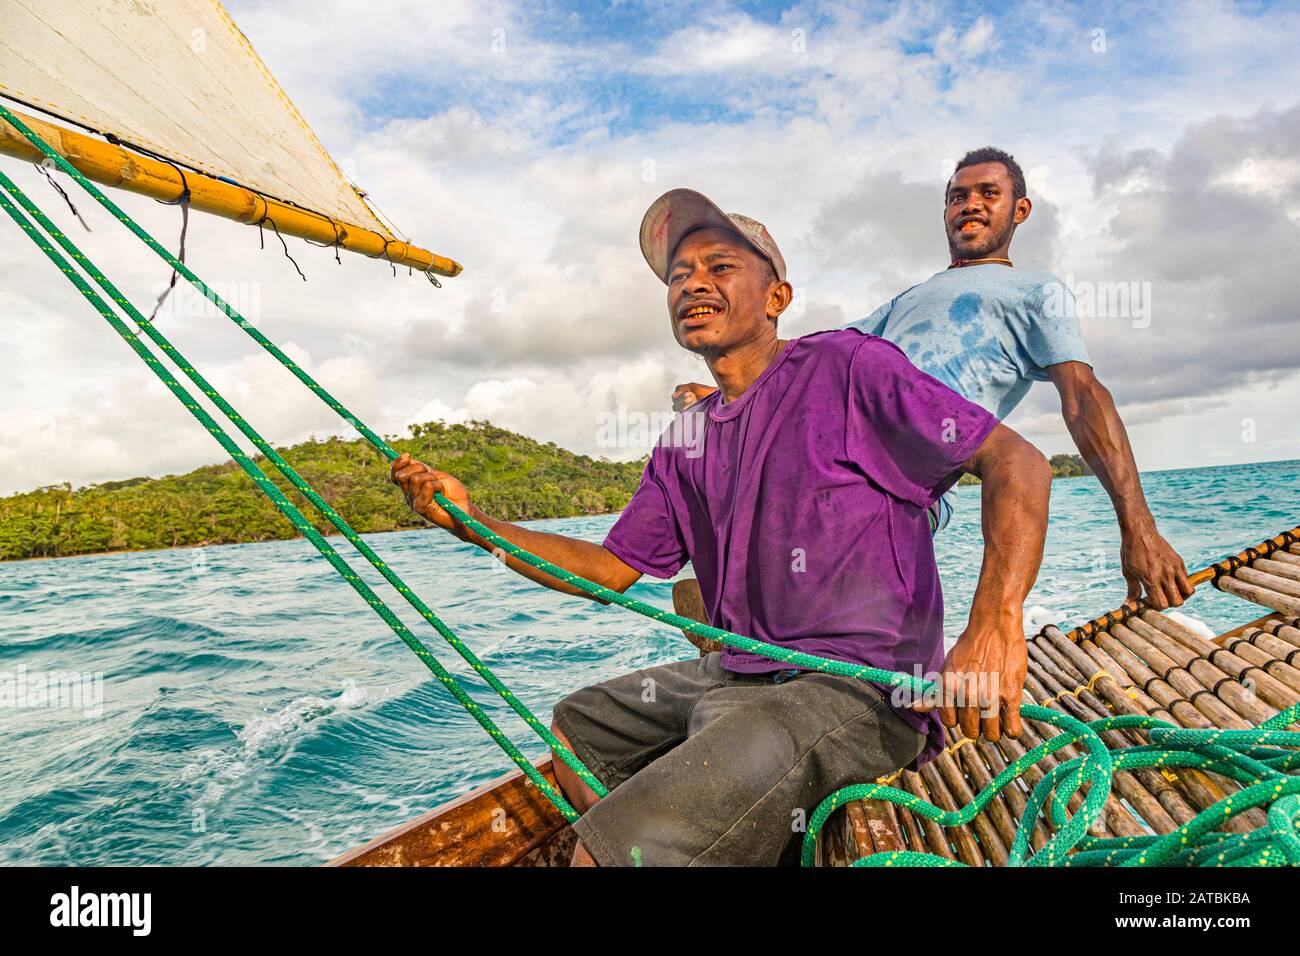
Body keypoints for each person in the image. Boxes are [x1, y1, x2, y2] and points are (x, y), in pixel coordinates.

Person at [391, 188, 1051, 866]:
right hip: (737, 673)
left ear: (777, 296)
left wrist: (994, 625)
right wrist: (473, 524)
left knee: (619, 852)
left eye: (720, 266)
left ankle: (643, 846)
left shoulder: (846, 367)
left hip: (862, 687)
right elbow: (608, 570)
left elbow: (1015, 462)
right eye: (679, 275)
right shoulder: (687, 440)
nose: (693, 284)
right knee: (577, 729)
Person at [673, 147, 1191, 610]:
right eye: (958, 196)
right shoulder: (910, 297)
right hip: (825, 457)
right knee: (707, 545)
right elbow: (808, 361)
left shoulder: (1037, 291)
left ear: (1020, 210)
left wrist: (1138, 528)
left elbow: (1083, 397)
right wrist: (726, 390)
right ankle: (740, 649)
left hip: (897, 484)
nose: (971, 204)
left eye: (990, 193)